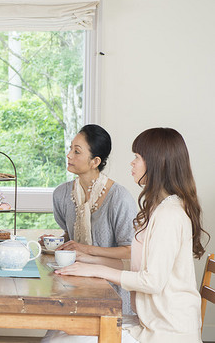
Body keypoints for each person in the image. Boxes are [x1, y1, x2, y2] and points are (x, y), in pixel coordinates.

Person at [46, 127, 209, 342]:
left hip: (167, 331)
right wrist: (88, 260)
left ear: (156, 163)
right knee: (59, 331)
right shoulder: (158, 208)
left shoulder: (170, 214)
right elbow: (137, 267)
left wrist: (97, 269)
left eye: (137, 157)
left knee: (62, 339)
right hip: (149, 321)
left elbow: (152, 281)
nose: (132, 163)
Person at [42, 124, 138, 314]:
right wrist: (55, 243)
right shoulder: (61, 194)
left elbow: (130, 252)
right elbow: (71, 237)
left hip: (112, 295)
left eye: (76, 151)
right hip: (72, 285)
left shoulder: (119, 198)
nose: (69, 155)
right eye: (70, 148)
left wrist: (85, 249)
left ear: (95, 161)